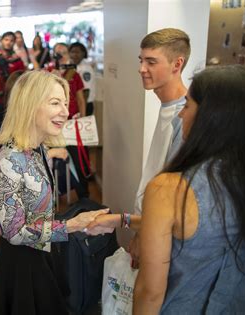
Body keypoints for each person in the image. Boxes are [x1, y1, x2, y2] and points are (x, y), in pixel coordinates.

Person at [132, 65, 245, 313]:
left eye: (187, 105)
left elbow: (150, 292)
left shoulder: (169, 188)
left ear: (213, 117)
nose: (181, 114)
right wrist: (126, 220)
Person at [0, 70, 108, 315]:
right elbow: (14, 232)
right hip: (22, 263)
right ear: (30, 105)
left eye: (65, 103)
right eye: (55, 103)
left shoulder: (38, 148)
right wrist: (72, 225)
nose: (65, 111)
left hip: (42, 250)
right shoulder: (9, 159)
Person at [88, 29, 191, 264]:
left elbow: (173, 200)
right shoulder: (167, 108)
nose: (141, 68)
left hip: (164, 239)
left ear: (177, 64)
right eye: (141, 60)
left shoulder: (184, 119)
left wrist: (142, 232)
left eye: (151, 62)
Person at [51, 42, 89, 199]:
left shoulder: (74, 74)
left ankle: (83, 195)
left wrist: (83, 120)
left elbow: (81, 99)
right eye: (57, 53)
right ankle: (53, 195)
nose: (60, 56)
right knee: (53, 161)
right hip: (53, 124)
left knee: (78, 159)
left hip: (72, 123)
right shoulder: (48, 74)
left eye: (63, 52)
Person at [0, 31, 26, 135]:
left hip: (13, 100)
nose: (8, 42)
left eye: (11, 40)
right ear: (2, 41)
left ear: (14, 42)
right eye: (6, 40)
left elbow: (23, 80)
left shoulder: (17, 60)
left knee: (15, 132)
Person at [69, 42, 96, 116]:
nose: (74, 55)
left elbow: (86, 92)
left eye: (77, 52)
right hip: (78, 104)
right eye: (72, 52)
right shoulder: (74, 66)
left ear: (83, 53)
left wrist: (82, 112)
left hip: (85, 105)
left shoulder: (85, 69)